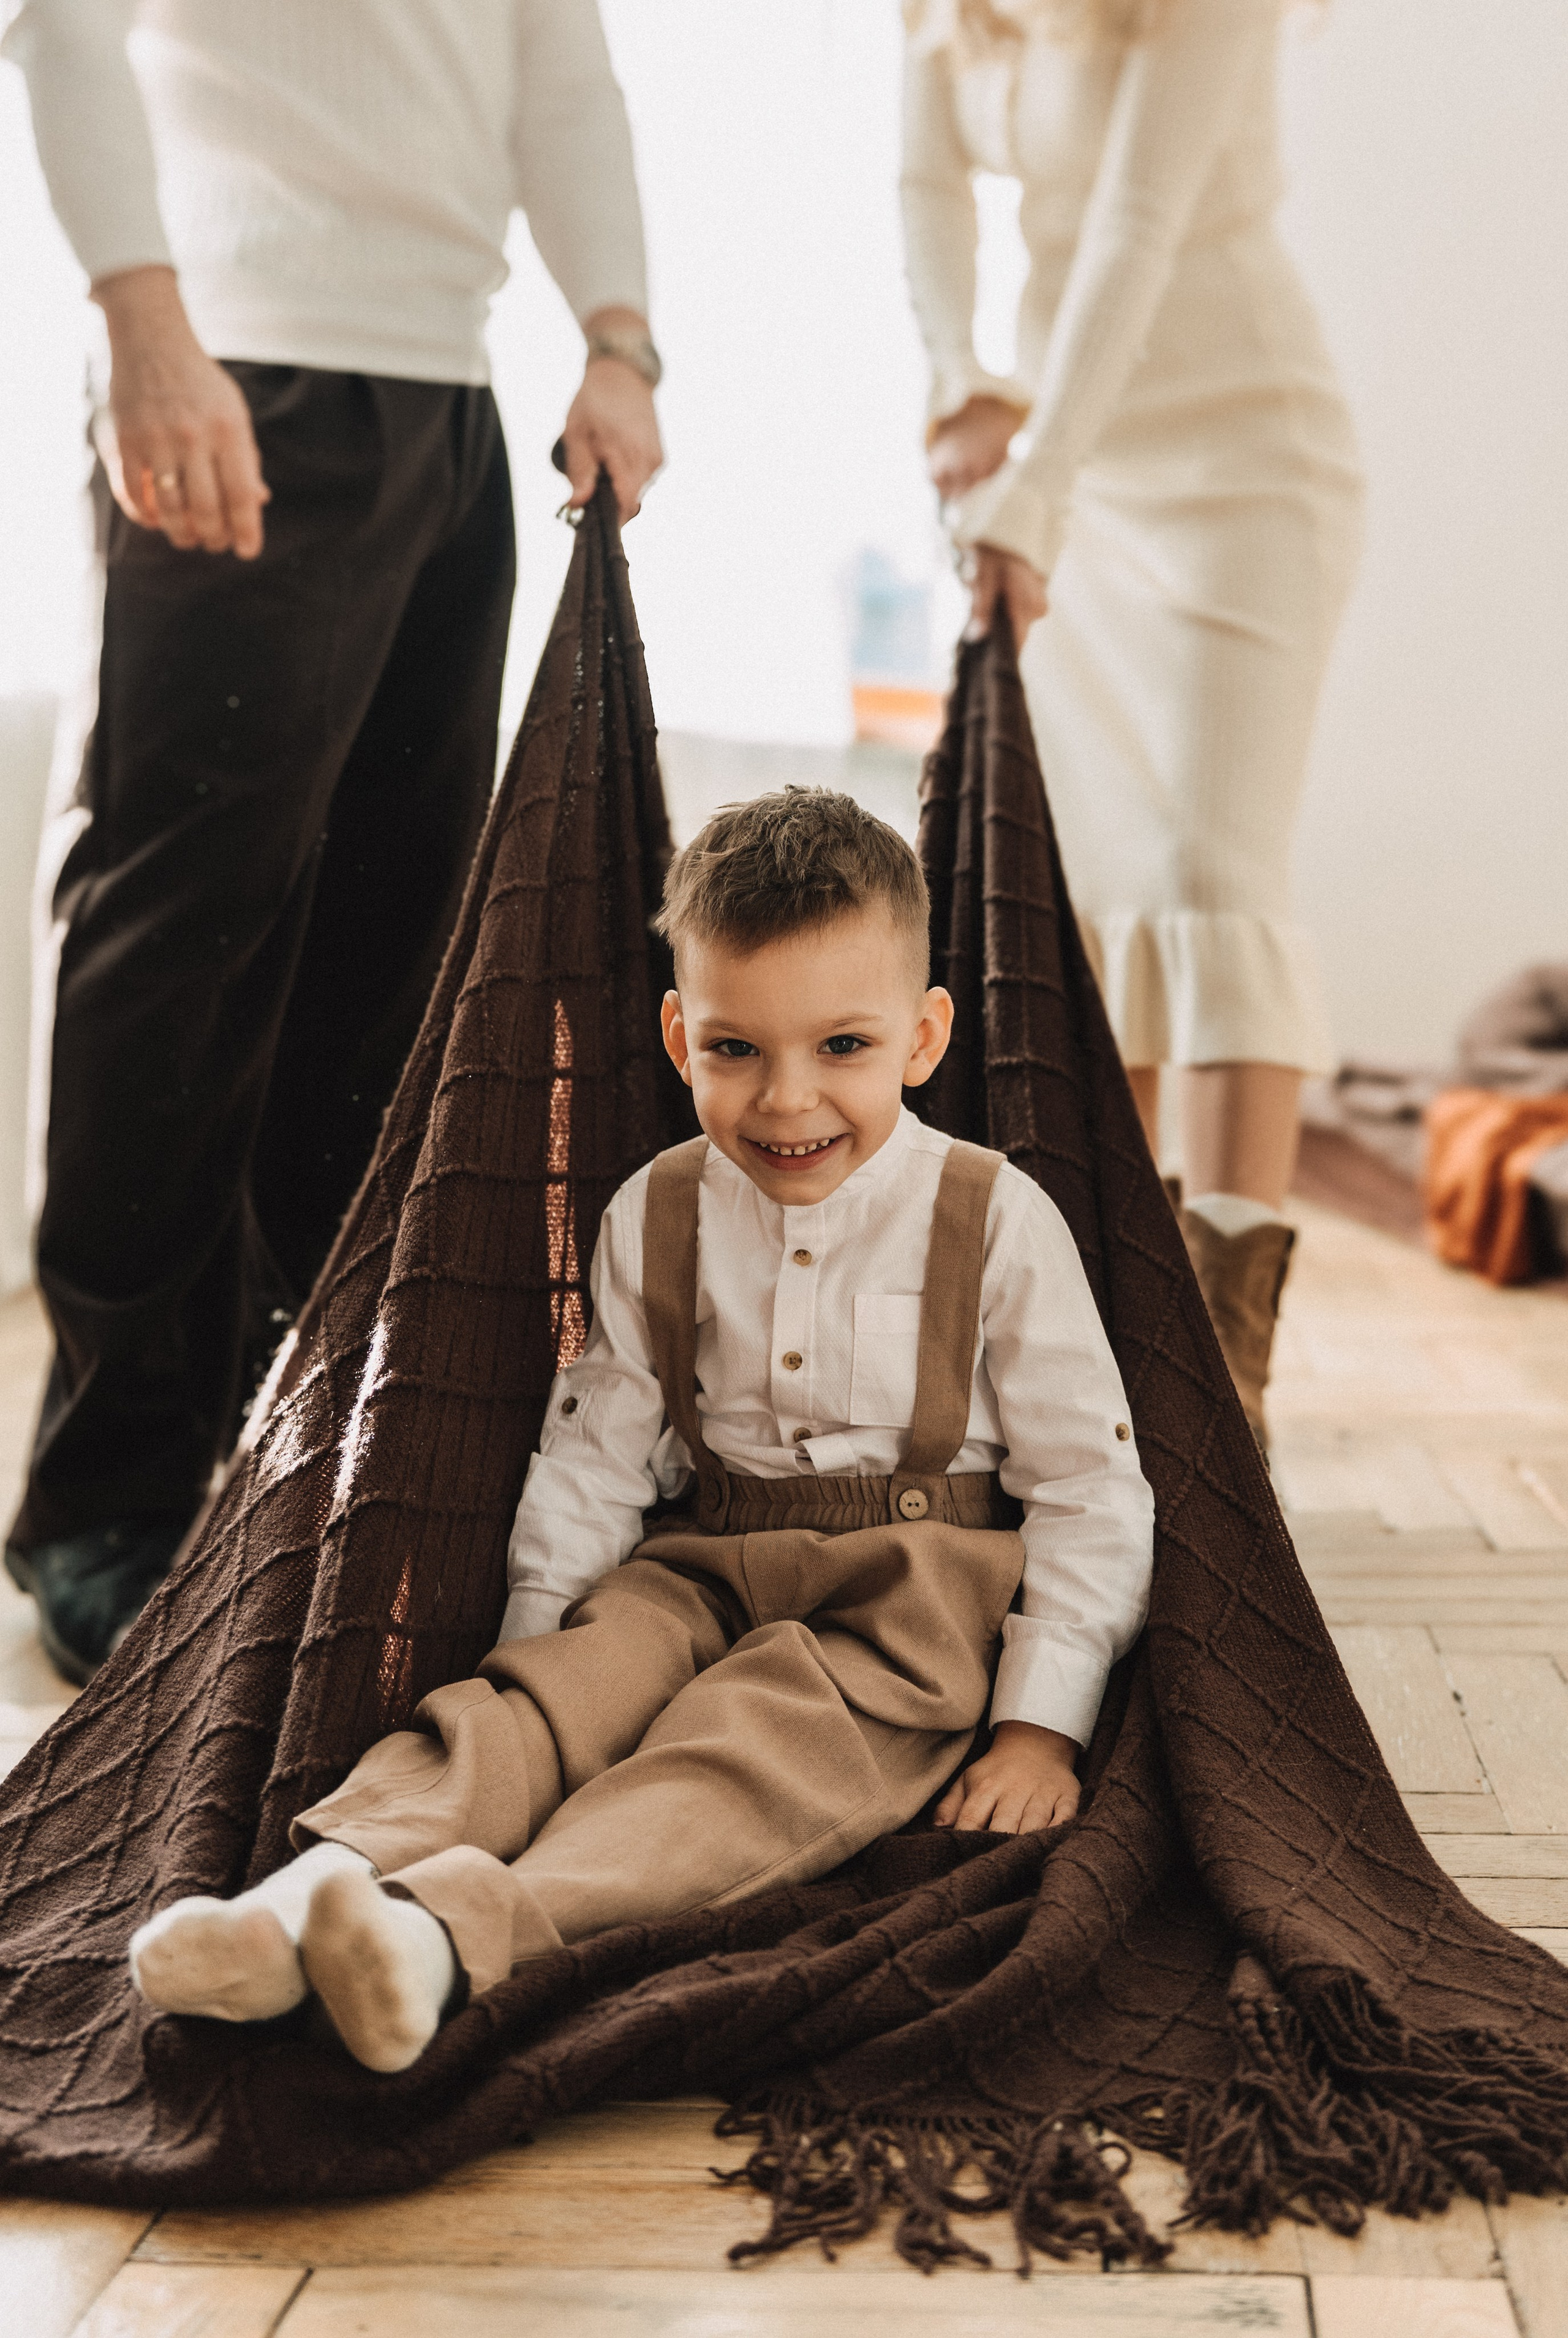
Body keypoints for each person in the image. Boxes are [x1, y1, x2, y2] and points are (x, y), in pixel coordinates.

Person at [127, 788, 1155, 2074]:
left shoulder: (994, 1216)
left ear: (922, 1035)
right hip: (697, 1559)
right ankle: (297, 1906)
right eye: (736, 1049)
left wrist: (1036, 1722)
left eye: (841, 1045)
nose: (788, 1102)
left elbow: (1089, 1485)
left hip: (908, 1602)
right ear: (679, 1034)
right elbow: (599, 1449)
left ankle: (436, 1945)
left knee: (728, 1761)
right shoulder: (652, 1210)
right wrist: (536, 1644)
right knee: (531, 1710)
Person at [1, 0, 665, 1682]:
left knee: (383, 962)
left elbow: (560, 76)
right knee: (181, 946)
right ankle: (106, 1502)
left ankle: (294, 1462)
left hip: (449, 407)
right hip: (237, 364)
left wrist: (619, 337)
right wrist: (147, 333)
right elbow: (62, 25)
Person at [900, 0, 1363, 1448]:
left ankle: (1225, 1405)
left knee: (1205, 880)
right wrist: (956, 386)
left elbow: (1134, 225)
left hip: (1239, 459)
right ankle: (1108, 1369)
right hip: (1067, 462)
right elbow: (920, 185)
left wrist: (1030, 488)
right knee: (1093, 902)